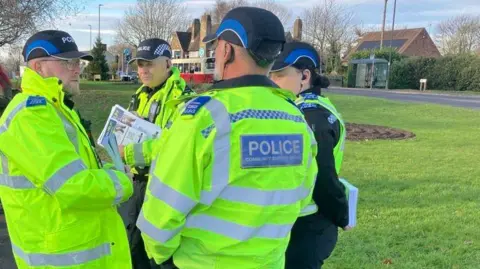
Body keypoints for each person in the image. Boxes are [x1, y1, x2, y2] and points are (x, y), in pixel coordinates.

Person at [136, 7, 318, 269]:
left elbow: (162, 209)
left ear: (226, 51)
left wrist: (161, 256)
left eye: (217, 47)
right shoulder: (295, 118)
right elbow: (301, 197)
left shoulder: (203, 117)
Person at [0, 30, 134, 269]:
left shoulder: (57, 108)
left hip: (77, 251)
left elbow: (78, 168)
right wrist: (122, 181)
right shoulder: (31, 115)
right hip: (60, 257)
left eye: (77, 62)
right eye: (68, 62)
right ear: (39, 67)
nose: (77, 69)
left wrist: (111, 167)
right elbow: (72, 186)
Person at [269, 41, 349, 269]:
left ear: (304, 76)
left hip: (308, 224)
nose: (271, 82)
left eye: (278, 75)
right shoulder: (314, 107)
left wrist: (342, 215)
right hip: (302, 221)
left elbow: (323, 177)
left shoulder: (310, 116)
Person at [118, 38, 194, 269]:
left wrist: (129, 153)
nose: (143, 69)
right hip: (137, 186)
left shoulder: (183, 99)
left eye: (149, 63)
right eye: (139, 64)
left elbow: (175, 148)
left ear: (168, 63)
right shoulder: (140, 95)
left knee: (161, 256)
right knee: (133, 249)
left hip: (165, 187)